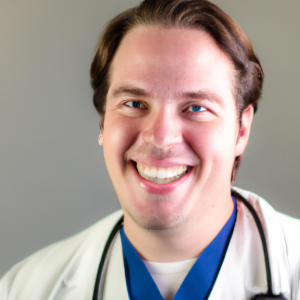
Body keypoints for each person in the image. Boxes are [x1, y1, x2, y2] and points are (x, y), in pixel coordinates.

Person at [1, 0, 300, 299]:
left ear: (241, 130)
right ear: (104, 122)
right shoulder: (26, 288)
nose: (160, 138)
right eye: (133, 104)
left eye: (196, 107)